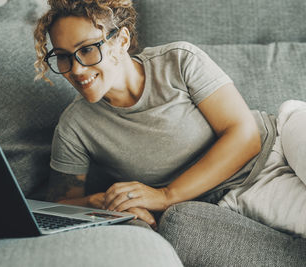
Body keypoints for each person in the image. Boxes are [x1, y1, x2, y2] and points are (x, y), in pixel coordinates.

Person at [33, 0, 306, 236]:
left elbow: (246, 137)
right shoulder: (75, 126)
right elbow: (60, 204)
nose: (77, 69)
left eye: (88, 49)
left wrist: (166, 195)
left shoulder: (178, 61)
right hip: (241, 195)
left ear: (122, 41)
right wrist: (106, 202)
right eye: (63, 57)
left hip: (283, 136)